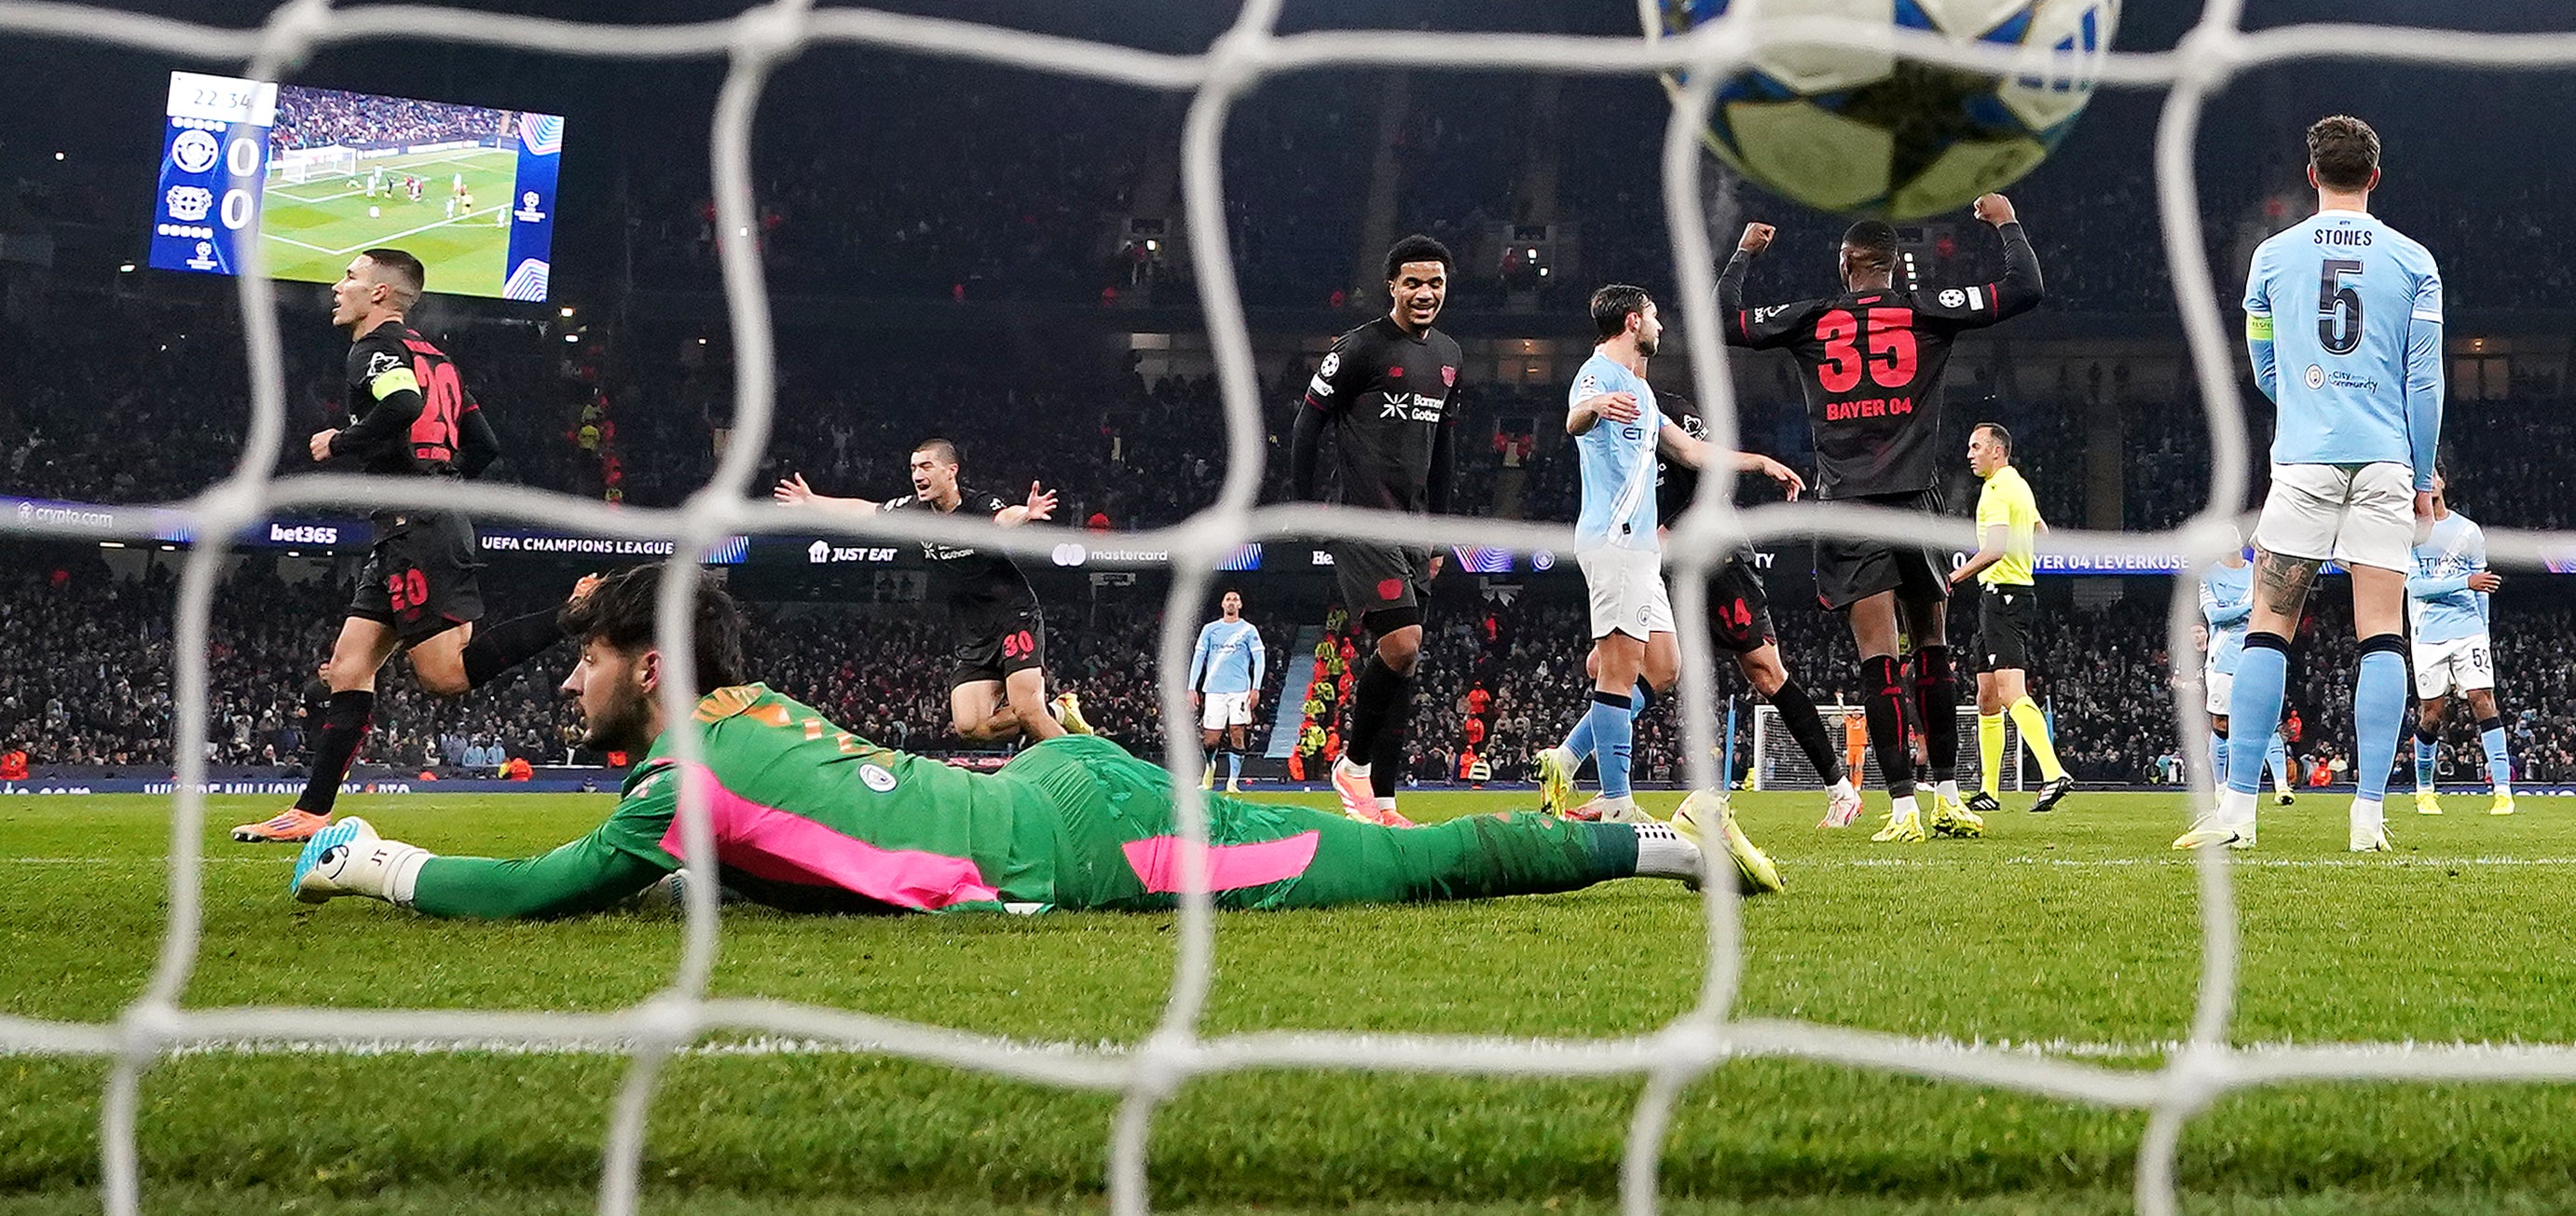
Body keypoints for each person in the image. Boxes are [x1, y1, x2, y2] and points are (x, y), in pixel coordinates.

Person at [288, 567, 1782, 916]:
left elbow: (546, 887)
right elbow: (801, 834)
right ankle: (1647, 839)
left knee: (1399, 872)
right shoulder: (755, 719)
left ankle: (1656, 841)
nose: (567, 684)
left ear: (650, 664)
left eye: (590, 656)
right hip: (1050, 778)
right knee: (1374, 845)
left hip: (1089, 840)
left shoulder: (682, 781)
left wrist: (376, 854)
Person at [1719, 194, 2044, 844]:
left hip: (1849, 506)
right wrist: (2007, 220)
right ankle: (1950, 795)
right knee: (1934, 649)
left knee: (1878, 659)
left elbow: (1724, 321)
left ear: (1847, 266)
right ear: (1896, 265)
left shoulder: (1812, 318)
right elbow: (2025, 288)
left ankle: (1903, 809)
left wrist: (1744, 255)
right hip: (1917, 504)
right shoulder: (1926, 311)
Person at [2179, 116, 2444, 854]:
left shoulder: (2271, 256)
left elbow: (2263, 367)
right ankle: (2367, 819)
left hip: (2303, 458)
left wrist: (2303, 403)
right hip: (2387, 458)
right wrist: (2422, 477)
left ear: (2311, 175)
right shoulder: (2414, 260)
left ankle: (2237, 816)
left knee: (2270, 622)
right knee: (2383, 634)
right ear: (2376, 175)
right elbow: (2425, 381)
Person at [233, 251, 563, 842]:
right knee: (348, 667)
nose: (339, 288)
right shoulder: (441, 361)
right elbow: (483, 446)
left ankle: (575, 614)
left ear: (381, 294)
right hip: (411, 527)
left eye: (352, 278)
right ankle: (311, 811)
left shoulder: (374, 349)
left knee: (444, 678)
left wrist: (342, 441)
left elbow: (403, 404)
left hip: (420, 530)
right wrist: (437, 478)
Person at [1532, 289, 1810, 841]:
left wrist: (1759, 463)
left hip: (1641, 551)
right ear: (1634, 321)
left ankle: (1563, 761)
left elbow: (1690, 452)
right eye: (1655, 316)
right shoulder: (1600, 373)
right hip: (1615, 541)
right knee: (1617, 672)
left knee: (1662, 667)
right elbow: (1574, 417)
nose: (1660, 325)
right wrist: (1593, 409)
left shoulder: (1641, 391)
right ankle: (1617, 804)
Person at [1289, 235, 1462, 827]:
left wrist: (1436, 530)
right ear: (1392, 286)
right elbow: (1307, 425)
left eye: (1435, 283)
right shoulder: (1358, 349)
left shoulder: (1449, 355)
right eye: (1413, 282)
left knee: (1406, 664)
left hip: (1415, 529)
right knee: (1403, 643)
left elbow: (1443, 449)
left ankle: (1383, 801)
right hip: (1362, 518)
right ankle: (1352, 764)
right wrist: (1305, 505)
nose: (1424, 293)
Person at [774, 441, 1081, 745]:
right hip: (971, 631)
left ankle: (1089, 771)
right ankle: (1058, 711)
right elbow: (865, 510)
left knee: (1028, 711)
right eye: (912, 468)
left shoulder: (978, 505)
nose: (917, 474)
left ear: (951, 471)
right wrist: (813, 501)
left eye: (925, 466)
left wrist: (1026, 513)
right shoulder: (914, 511)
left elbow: (1004, 519)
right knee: (971, 727)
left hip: (1013, 617)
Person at [1947, 423, 2072, 813]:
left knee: (2010, 691)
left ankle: (2053, 773)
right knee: (1986, 695)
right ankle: (1989, 791)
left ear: (1997, 451)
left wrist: (1951, 578)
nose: (1970, 454)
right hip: (2003, 595)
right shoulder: (2019, 484)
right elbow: (2041, 530)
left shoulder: (1997, 490)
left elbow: (1996, 549)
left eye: (1976, 447)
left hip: (2004, 595)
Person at [2408, 468, 2512, 816]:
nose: (2429, 482)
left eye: (2433, 475)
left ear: (2443, 482)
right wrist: (2465, 582)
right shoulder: (2411, 534)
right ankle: (2425, 789)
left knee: (2484, 701)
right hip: (2429, 635)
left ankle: (2503, 791)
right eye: (2422, 478)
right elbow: (2416, 588)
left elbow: (2485, 588)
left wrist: (2483, 629)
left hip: (2469, 630)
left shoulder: (2468, 531)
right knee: (2432, 716)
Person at [2196, 545, 2296, 808]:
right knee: (2221, 723)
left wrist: (2238, 609)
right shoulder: (2209, 575)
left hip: (2256, 652)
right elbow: (2214, 616)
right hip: (2223, 657)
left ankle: (2282, 786)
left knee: (2269, 722)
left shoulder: (2257, 574)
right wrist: (2247, 608)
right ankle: (2221, 787)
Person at [1188, 590, 1266, 794]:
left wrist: (1255, 687)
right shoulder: (1210, 629)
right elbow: (1198, 658)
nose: (1232, 602)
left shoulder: (1248, 630)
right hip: (1214, 690)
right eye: (1228, 599)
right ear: (1222, 604)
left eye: (1235, 599)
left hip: (1239, 690)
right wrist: (1191, 687)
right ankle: (1209, 767)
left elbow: (1259, 659)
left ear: (1240, 605)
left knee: (1237, 732)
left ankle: (1233, 781)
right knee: (1211, 738)